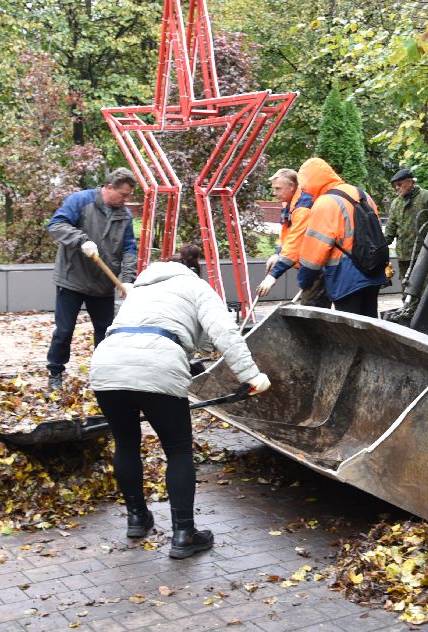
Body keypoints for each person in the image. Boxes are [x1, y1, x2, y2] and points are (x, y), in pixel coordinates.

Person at [89, 242, 270, 558]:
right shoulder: (198, 287)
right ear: (194, 270)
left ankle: (136, 518)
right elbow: (224, 333)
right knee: (177, 451)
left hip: (107, 364)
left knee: (126, 443)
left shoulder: (141, 288)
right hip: (159, 365)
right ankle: (184, 534)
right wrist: (251, 376)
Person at [45, 168, 139, 388]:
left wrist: (128, 279)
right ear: (108, 187)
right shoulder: (81, 201)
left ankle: (104, 374)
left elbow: (129, 249)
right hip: (72, 278)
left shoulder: (124, 215)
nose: (126, 200)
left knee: (106, 331)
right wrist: (80, 240)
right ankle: (55, 372)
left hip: (102, 284)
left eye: (128, 196)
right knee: (65, 330)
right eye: (123, 195)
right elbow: (56, 225)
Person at [295, 156, 387, 317]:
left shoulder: (325, 203)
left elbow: (314, 251)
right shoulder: (361, 193)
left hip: (347, 277)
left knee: (351, 329)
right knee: (370, 324)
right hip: (373, 270)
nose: (304, 190)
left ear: (311, 181)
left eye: (304, 185)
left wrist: (305, 280)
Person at [254, 167, 314, 302]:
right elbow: (286, 235)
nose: (274, 193)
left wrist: (273, 276)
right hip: (309, 265)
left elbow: (295, 243)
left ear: (291, 186)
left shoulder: (303, 207)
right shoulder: (290, 204)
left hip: (318, 266)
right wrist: (277, 253)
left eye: (278, 188)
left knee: (311, 309)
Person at [385, 166, 428, 300]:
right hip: (404, 256)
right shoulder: (396, 203)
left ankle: (425, 317)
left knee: (425, 290)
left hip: (424, 253)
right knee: (407, 290)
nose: (397, 188)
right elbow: (390, 230)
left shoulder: (426, 197)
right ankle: (408, 315)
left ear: (410, 182)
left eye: (399, 184)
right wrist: (380, 246)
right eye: (395, 186)